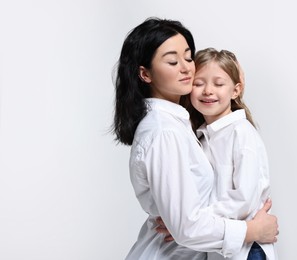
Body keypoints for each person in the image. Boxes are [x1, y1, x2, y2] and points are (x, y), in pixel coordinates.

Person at [113, 17, 279, 260]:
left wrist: (233, 78)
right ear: (145, 74)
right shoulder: (165, 133)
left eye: (189, 57)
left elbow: (187, 220)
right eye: (172, 61)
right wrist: (251, 230)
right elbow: (187, 227)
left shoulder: (184, 127)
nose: (186, 68)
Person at [181, 48, 277, 260]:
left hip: (248, 250)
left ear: (235, 90)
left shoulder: (242, 133)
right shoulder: (200, 138)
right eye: (199, 83)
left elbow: (244, 199)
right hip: (222, 249)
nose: (208, 90)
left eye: (218, 83)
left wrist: (192, 221)